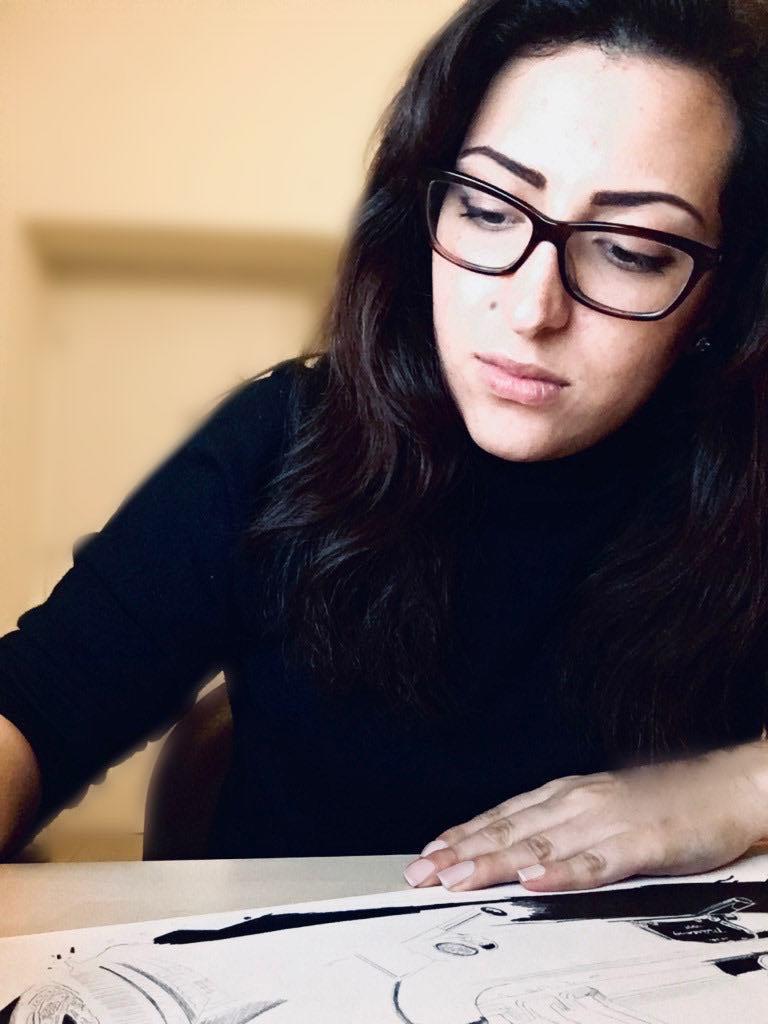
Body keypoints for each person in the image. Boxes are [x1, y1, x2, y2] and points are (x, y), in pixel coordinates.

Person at [2, 0, 768, 896]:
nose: (531, 310)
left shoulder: (749, 481)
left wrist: (742, 790)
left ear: (721, 297)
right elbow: (35, 707)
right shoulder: (285, 436)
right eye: (488, 209)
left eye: (630, 250)